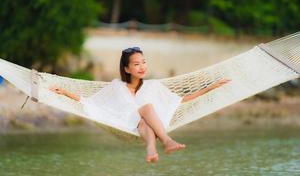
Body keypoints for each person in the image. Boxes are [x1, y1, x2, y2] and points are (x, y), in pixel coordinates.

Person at [49, 47, 230, 163]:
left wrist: (211, 87)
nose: (142, 66)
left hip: (149, 124)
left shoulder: (153, 85)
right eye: (136, 64)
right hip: (125, 123)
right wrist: (65, 92)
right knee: (146, 108)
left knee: (145, 116)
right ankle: (167, 141)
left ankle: (151, 149)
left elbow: (179, 100)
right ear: (127, 69)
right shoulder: (116, 87)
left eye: (144, 62)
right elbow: (91, 103)